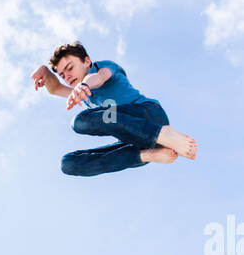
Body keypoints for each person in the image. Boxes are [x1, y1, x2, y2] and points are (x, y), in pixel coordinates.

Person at [32, 42, 197, 176]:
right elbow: (55, 89)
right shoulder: (81, 93)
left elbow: (98, 77)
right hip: (136, 138)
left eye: (69, 68)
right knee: (68, 164)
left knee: (80, 122)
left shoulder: (103, 68)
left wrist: (84, 85)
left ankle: (163, 134)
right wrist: (45, 72)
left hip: (149, 114)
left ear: (87, 61)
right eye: (62, 74)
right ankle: (148, 154)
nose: (67, 76)